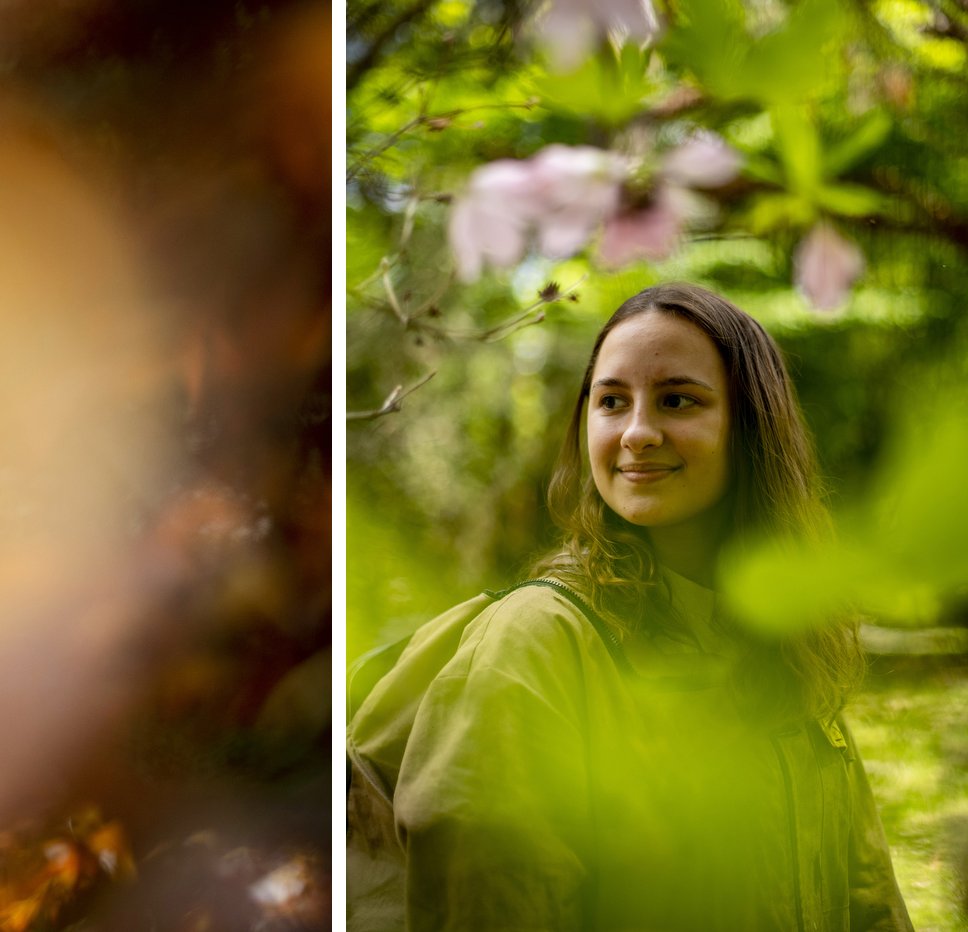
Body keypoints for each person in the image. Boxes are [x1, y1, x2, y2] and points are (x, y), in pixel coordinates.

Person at [346, 283, 910, 931]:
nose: (637, 433)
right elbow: (492, 904)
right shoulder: (533, 646)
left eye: (677, 400)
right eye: (611, 401)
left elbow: (867, 898)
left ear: (754, 427)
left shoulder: (785, 649)